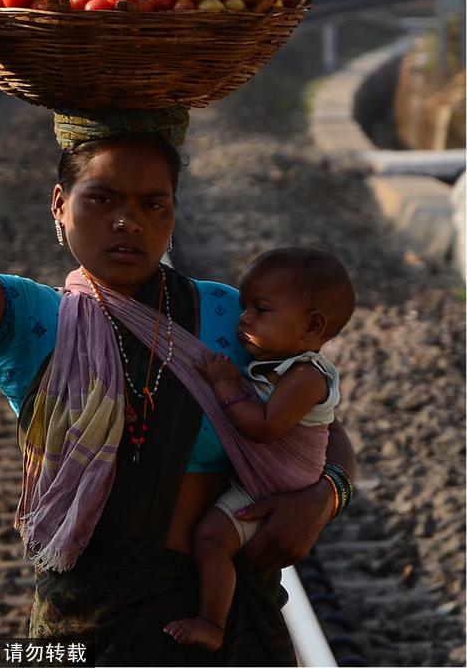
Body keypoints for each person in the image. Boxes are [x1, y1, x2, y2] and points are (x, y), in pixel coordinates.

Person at [0, 0, 357, 666]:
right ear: (58, 206)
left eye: (153, 203)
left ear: (173, 212)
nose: (128, 220)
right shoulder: (30, 322)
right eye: (101, 198)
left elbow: (327, 425)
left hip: (230, 622)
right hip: (95, 626)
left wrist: (325, 495)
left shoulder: (225, 313)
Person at [164, 247, 354, 652]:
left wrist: (225, 384)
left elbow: (263, 428)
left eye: (260, 310)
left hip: (270, 488)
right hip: (267, 481)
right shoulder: (281, 367)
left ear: (312, 326)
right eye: (244, 307)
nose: (243, 318)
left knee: (212, 539)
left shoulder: (305, 376)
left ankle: (211, 622)